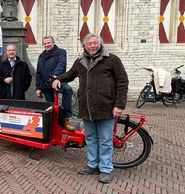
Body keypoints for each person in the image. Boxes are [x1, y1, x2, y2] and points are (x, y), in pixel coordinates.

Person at [52, 33, 129, 184]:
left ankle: (106, 169)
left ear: (100, 44)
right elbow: (70, 74)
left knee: (105, 140)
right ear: (84, 46)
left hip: (105, 107)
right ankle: (93, 164)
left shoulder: (112, 60)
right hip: (87, 108)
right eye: (89, 44)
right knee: (91, 138)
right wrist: (58, 79)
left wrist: (119, 105)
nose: (92, 46)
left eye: (95, 43)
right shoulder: (80, 61)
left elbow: (122, 82)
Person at [36, 36, 75, 131]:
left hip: (57, 81)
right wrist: (38, 87)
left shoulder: (61, 52)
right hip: (45, 85)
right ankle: (54, 125)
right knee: (51, 106)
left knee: (67, 90)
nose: (47, 45)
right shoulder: (41, 56)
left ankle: (66, 118)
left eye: (49, 43)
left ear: (53, 43)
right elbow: (39, 72)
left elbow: (61, 65)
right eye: (45, 43)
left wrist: (55, 77)